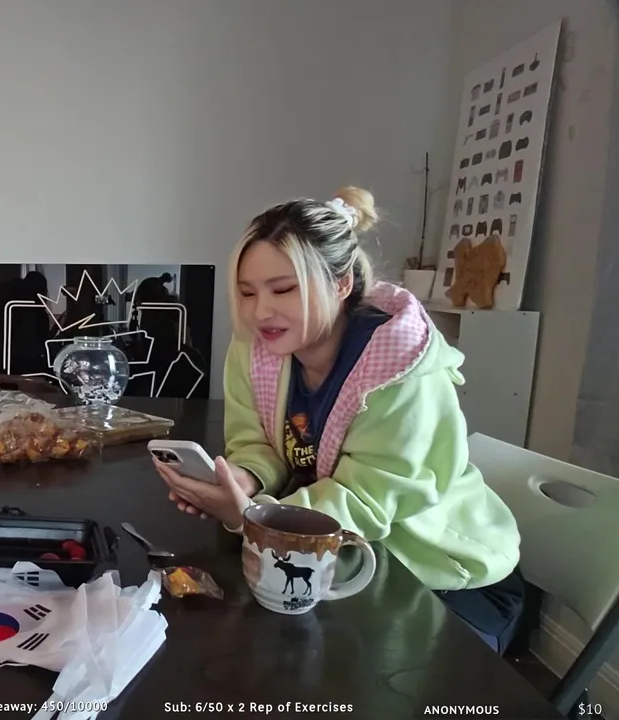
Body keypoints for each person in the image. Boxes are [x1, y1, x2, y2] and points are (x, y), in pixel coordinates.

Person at [154, 186, 524, 654]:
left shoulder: (400, 369)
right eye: (247, 293)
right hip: (341, 559)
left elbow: (367, 499)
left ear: (341, 284)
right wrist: (245, 478)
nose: (260, 311)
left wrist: (250, 518)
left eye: (283, 289)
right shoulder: (256, 348)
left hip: (441, 574)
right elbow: (258, 442)